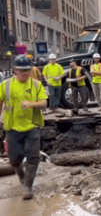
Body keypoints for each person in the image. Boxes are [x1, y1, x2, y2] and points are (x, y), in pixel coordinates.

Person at [0, 55, 48, 200]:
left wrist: (32, 104)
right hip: (12, 127)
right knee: (14, 160)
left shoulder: (36, 85)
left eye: (27, 70)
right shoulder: (5, 85)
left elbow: (44, 104)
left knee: (33, 157)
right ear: (15, 70)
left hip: (33, 126)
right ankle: (21, 175)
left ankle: (28, 186)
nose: (25, 73)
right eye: (21, 70)